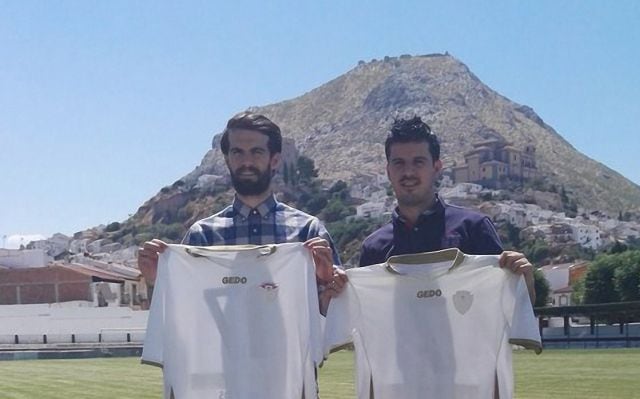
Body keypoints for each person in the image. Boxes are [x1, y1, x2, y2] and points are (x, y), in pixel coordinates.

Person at [138, 111, 347, 310]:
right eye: (238, 152)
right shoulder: (203, 236)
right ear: (228, 160)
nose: (247, 162)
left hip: (292, 349)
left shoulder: (308, 232)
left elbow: (332, 315)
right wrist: (156, 280)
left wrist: (329, 284)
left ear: (274, 160)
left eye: (256, 152)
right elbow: (184, 312)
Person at [359, 116, 535, 303]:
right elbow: (364, 317)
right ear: (388, 171)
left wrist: (526, 284)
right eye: (399, 163)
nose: (408, 172)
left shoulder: (474, 229)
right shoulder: (373, 248)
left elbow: (507, 306)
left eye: (418, 162)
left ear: (436, 167)